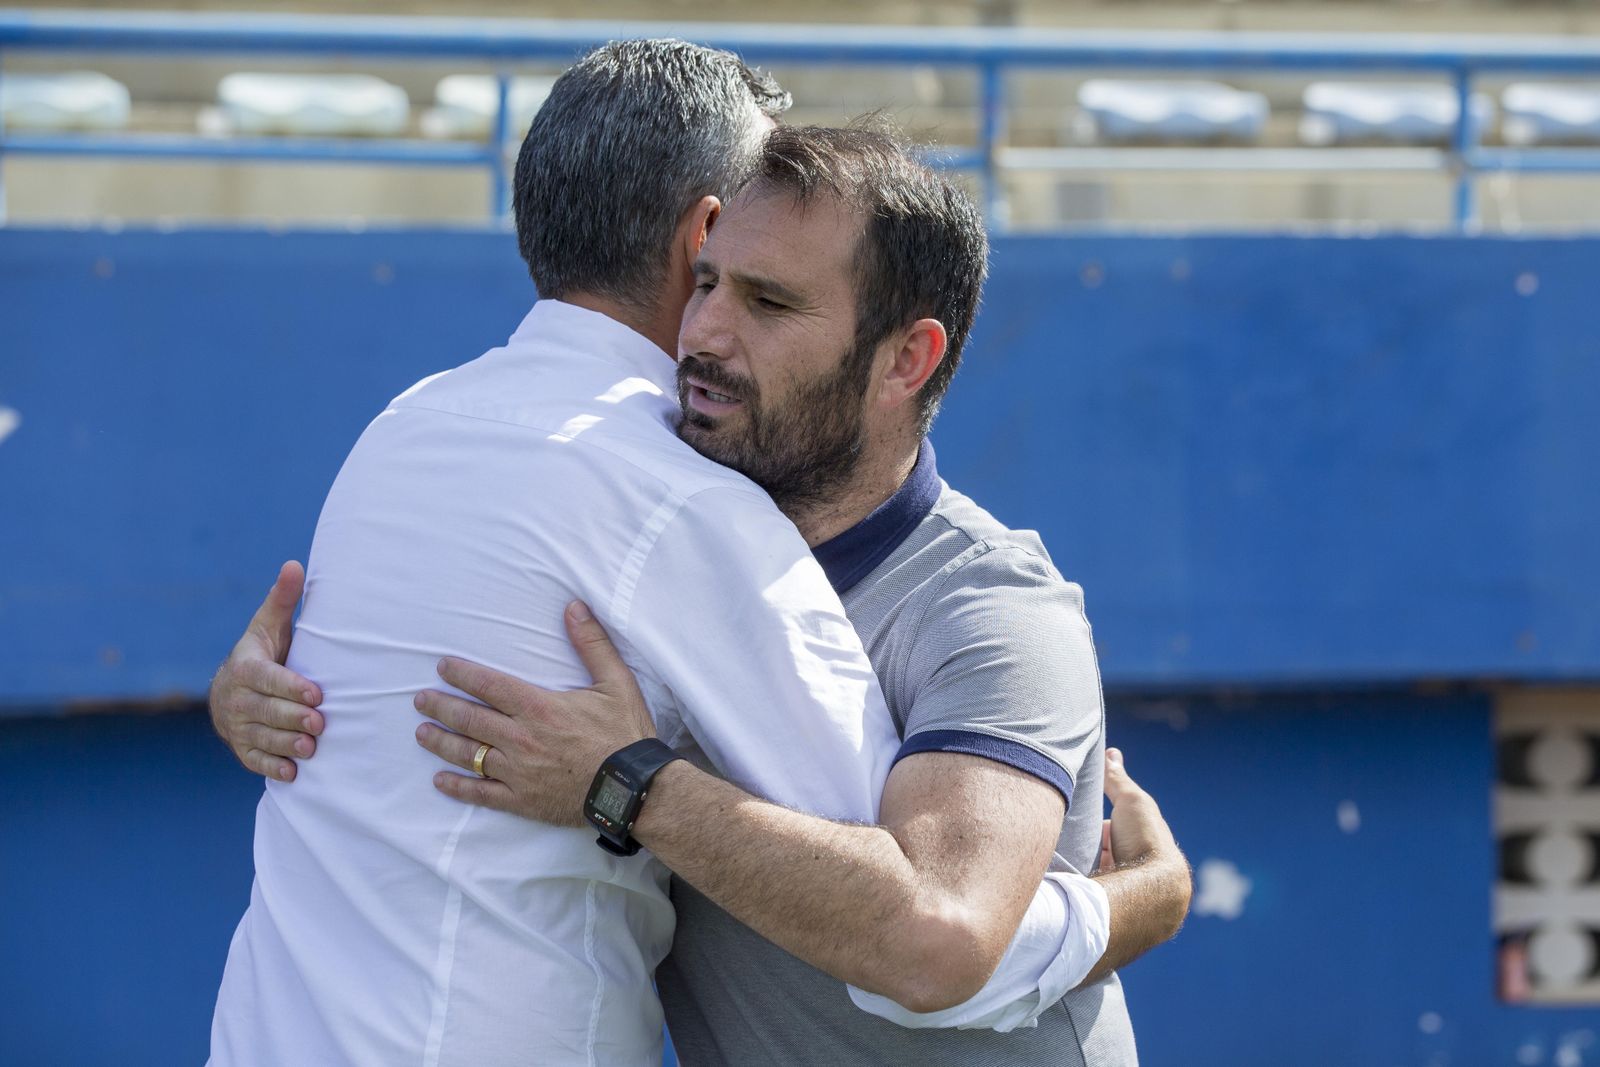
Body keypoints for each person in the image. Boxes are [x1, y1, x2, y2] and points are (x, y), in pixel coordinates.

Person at [205, 42, 1160, 1067]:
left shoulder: (413, 426)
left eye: (767, 300)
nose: (706, 328)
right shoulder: (662, 496)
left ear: (906, 358)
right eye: (708, 282)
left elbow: (933, 940)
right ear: (694, 235)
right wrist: (273, 701)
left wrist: (626, 782)